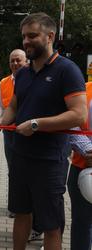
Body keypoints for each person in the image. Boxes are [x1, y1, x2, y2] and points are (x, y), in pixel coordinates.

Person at [0, 13, 87, 250]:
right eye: (24, 36)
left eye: (32, 35)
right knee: (21, 214)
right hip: (20, 157)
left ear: (50, 36)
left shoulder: (68, 70)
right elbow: (14, 105)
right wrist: (0, 120)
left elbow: (79, 114)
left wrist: (36, 124)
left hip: (49, 162)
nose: (26, 41)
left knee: (51, 225)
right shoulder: (23, 72)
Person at [0, 49, 43, 242]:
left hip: (33, 136)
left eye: (19, 60)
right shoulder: (3, 83)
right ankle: (16, 208)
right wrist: (0, 123)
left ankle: (38, 226)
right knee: (14, 172)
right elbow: (4, 108)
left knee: (36, 181)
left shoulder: (35, 79)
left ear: (26, 62)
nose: (15, 63)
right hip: (11, 135)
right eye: (12, 61)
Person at [68, 81, 92, 250]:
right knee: (81, 224)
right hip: (82, 168)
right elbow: (71, 122)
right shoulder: (84, 89)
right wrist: (88, 150)